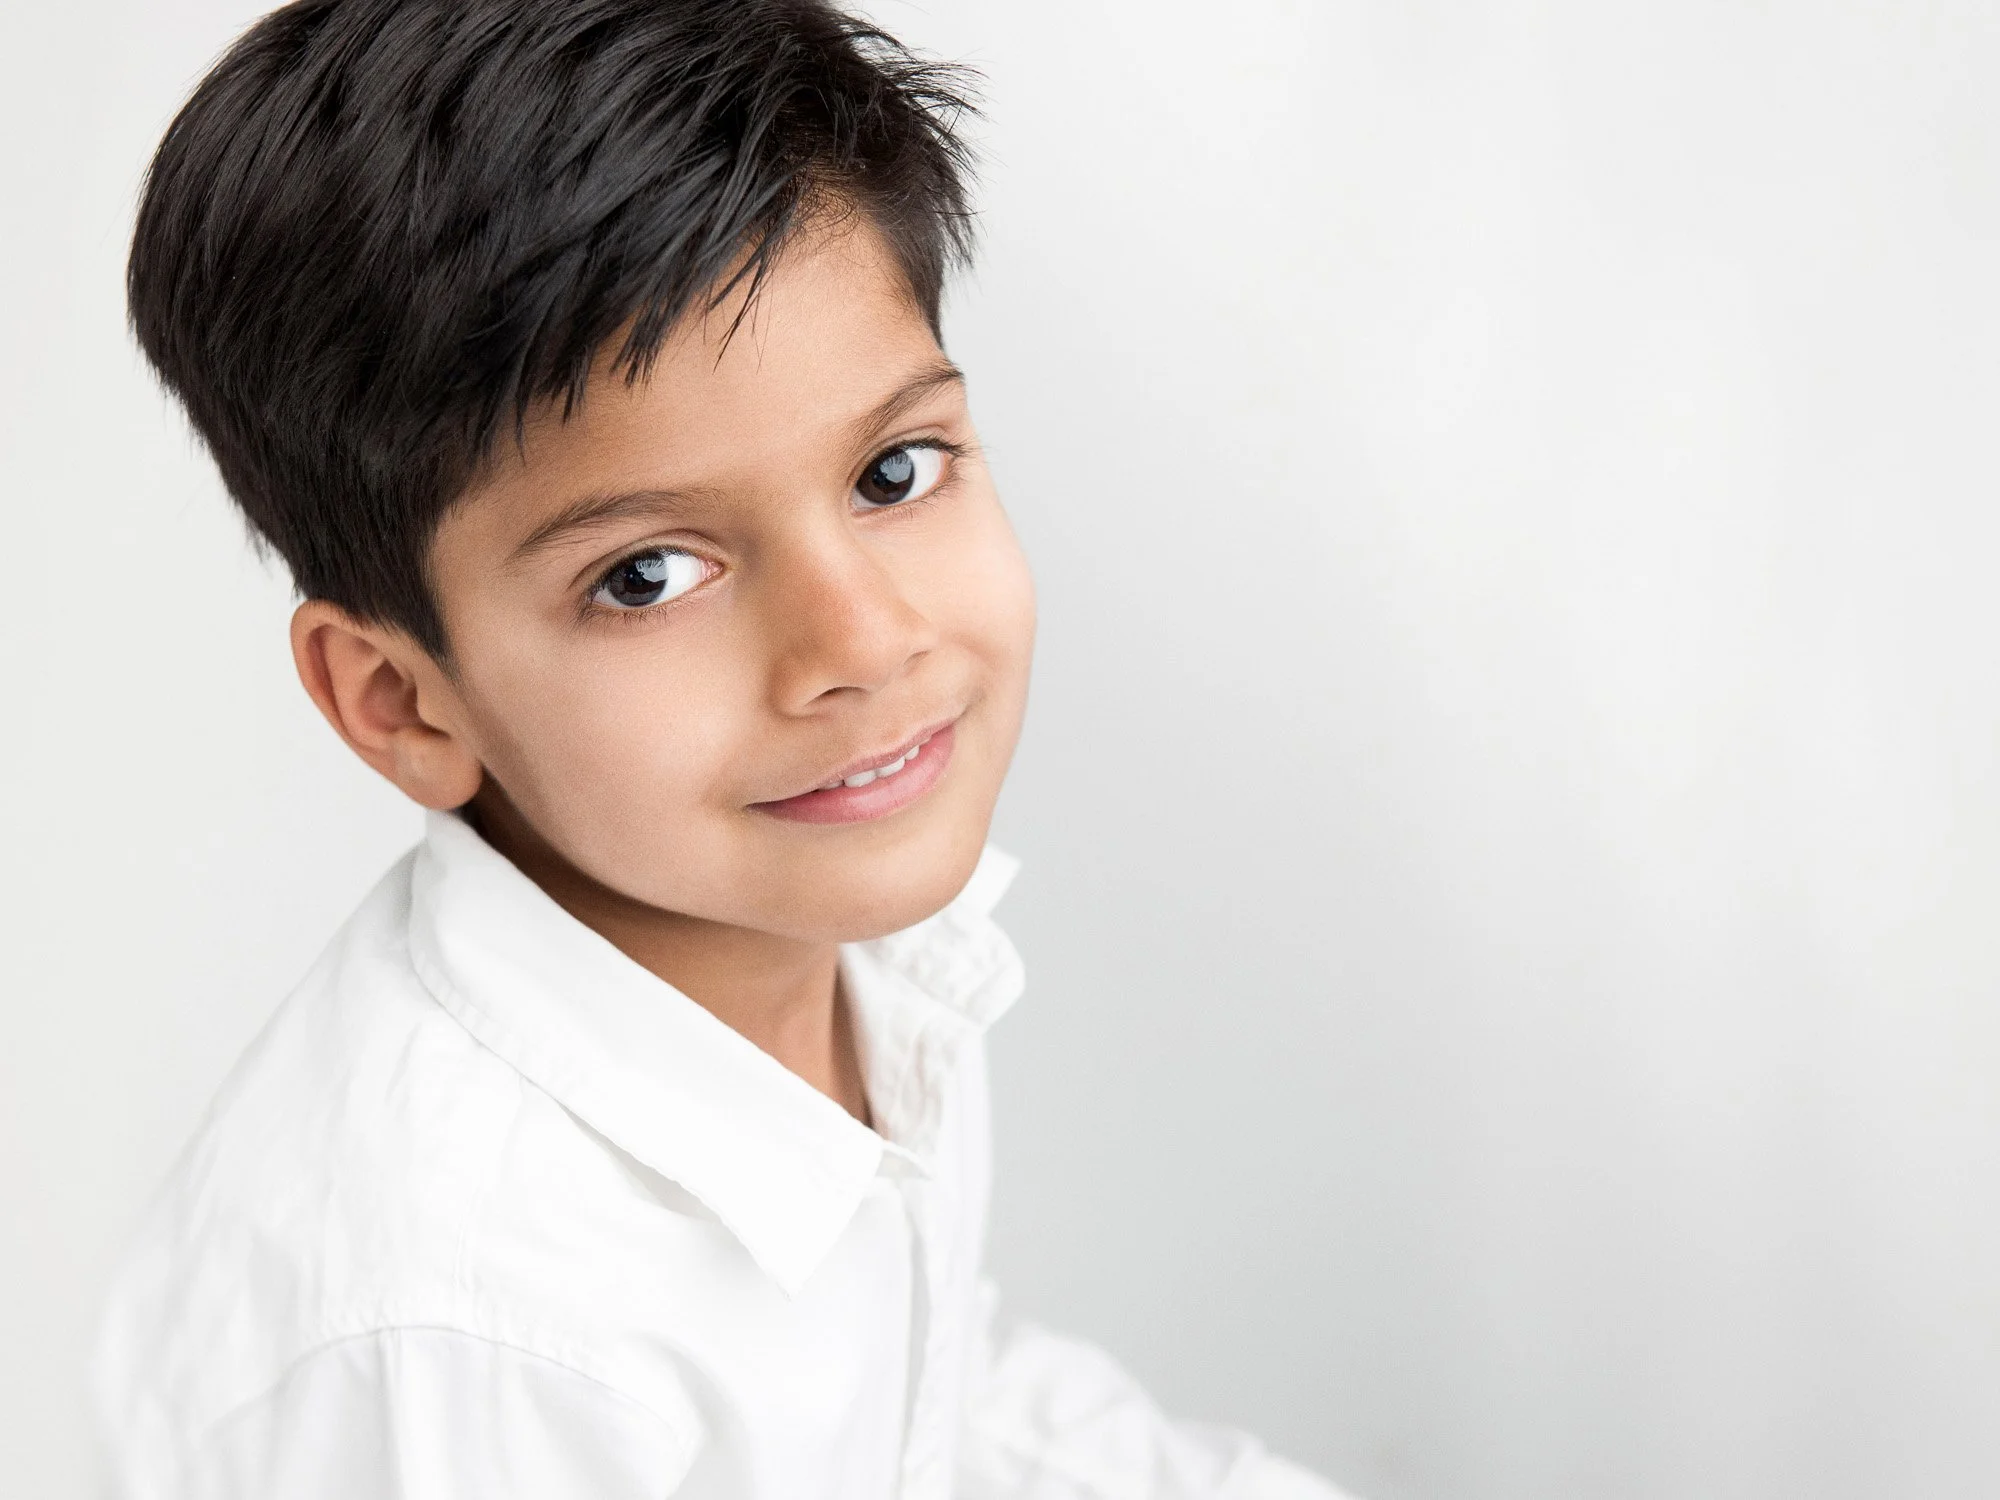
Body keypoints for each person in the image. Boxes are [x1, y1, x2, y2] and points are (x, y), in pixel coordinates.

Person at [93, 2, 1348, 1495]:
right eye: (645, 576)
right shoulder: (473, 1336)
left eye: (894, 471)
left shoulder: (830, 915)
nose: (864, 645)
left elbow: (927, 1408)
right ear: (402, 702)